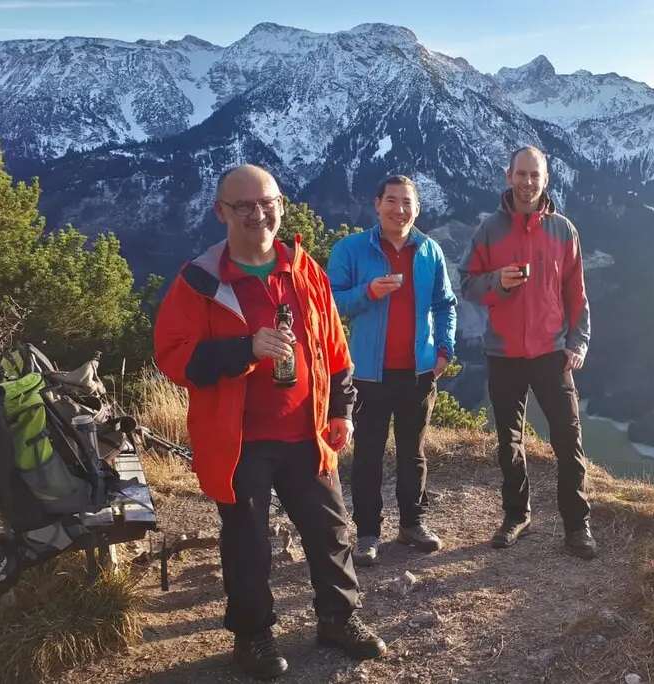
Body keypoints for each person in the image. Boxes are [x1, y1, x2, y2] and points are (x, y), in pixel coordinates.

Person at [153, 164, 386, 681]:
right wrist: (245, 348)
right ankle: (253, 635)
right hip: (239, 441)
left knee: (330, 532)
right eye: (244, 206)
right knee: (248, 543)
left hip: (307, 432)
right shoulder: (201, 281)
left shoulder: (305, 271)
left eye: (268, 203)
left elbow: (335, 352)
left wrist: (342, 413)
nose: (259, 214)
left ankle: (339, 618)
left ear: (281, 206)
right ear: (222, 212)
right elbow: (171, 356)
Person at [458, 145, 597, 560]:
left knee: (568, 441)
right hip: (503, 353)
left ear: (546, 180)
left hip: (552, 352)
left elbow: (577, 293)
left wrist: (579, 341)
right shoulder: (488, 230)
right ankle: (516, 515)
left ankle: (577, 526)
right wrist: (496, 282)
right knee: (508, 442)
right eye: (521, 174)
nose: (528, 182)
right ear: (508, 176)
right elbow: (466, 283)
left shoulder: (563, 230)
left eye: (535, 175)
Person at [326, 175, 457, 565]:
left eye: (408, 203)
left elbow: (445, 304)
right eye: (392, 201)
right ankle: (367, 533)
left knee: (412, 454)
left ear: (417, 208)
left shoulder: (430, 251)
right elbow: (330, 304)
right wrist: (369, 293)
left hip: (417, 373)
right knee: (367, 455)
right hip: (367, 373)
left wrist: (445, 349)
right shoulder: (351, 249)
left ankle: (412, 524)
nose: (400, 209)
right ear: (377, 204)